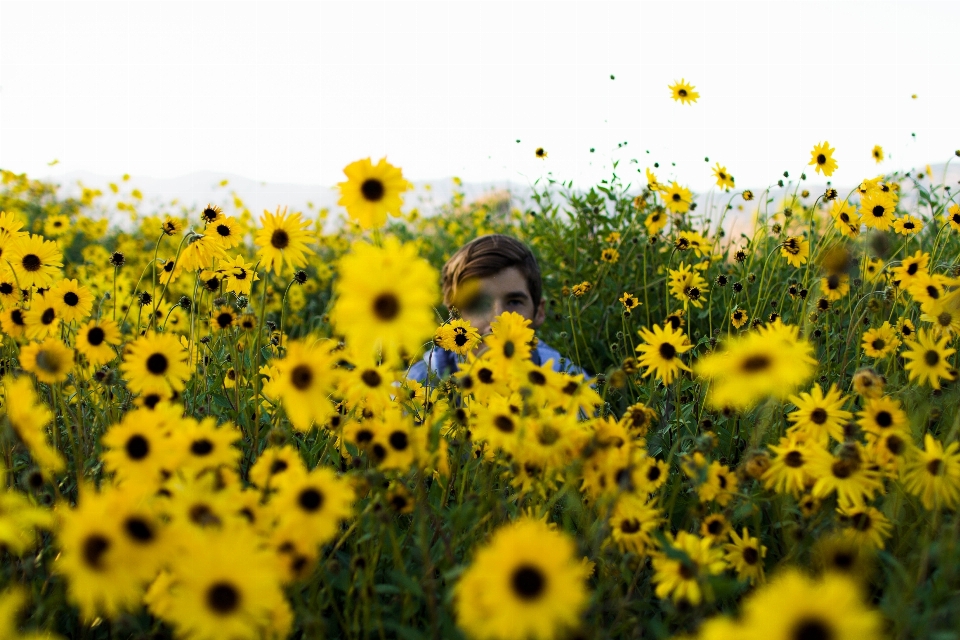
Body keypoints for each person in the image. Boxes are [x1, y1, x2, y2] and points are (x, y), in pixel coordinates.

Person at [407, 234, 587, 383]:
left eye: (514, 302)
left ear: (539, 312)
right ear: (453, 317)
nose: (497, 320)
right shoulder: (414, 390)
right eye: (479, 304)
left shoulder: (571, 384)